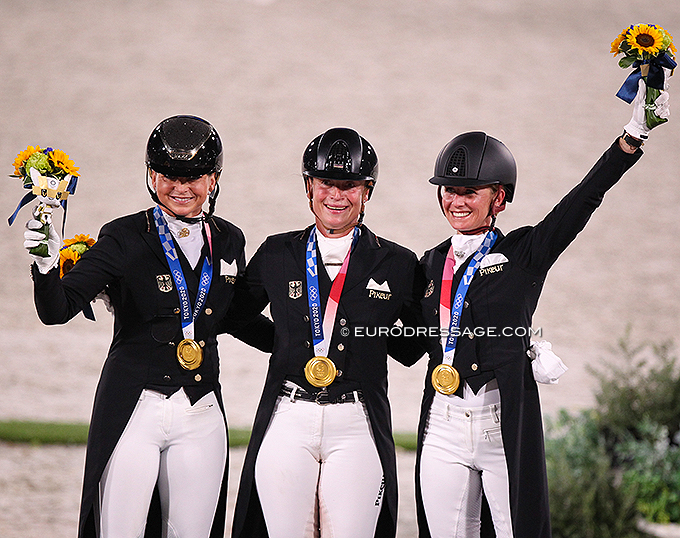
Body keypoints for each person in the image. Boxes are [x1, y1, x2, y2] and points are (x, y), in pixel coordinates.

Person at [414, 78, 671, 538]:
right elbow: (410, 337)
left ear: (499, 198)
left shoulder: (525, 252)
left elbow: (583, 199)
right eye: (449, 190)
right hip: (444, 423)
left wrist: (631, 139)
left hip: (499, 421)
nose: (456, 200)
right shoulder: (431, 262)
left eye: (469, 191)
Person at [23, 115, 272, 538]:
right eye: (169, 176)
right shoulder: (121, 237)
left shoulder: (230, 240)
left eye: (193, 176)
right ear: (152, 175)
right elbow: (57, 309)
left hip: (201, 409)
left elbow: (229, 318)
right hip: (133, 407)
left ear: (213, 179)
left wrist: (300, 343)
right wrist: (45, 267)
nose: (181, 187)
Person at [230, 127, 424, 538]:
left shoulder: (397, 263)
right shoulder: (277, 252)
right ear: (308, 186)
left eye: (349, 185)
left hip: (357, 420)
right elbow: (234, 316)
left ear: (366, 192)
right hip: (288, 415)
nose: (336, 195)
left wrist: (369, 334)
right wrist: (281, 341)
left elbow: (414, 344)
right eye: (326, 183)